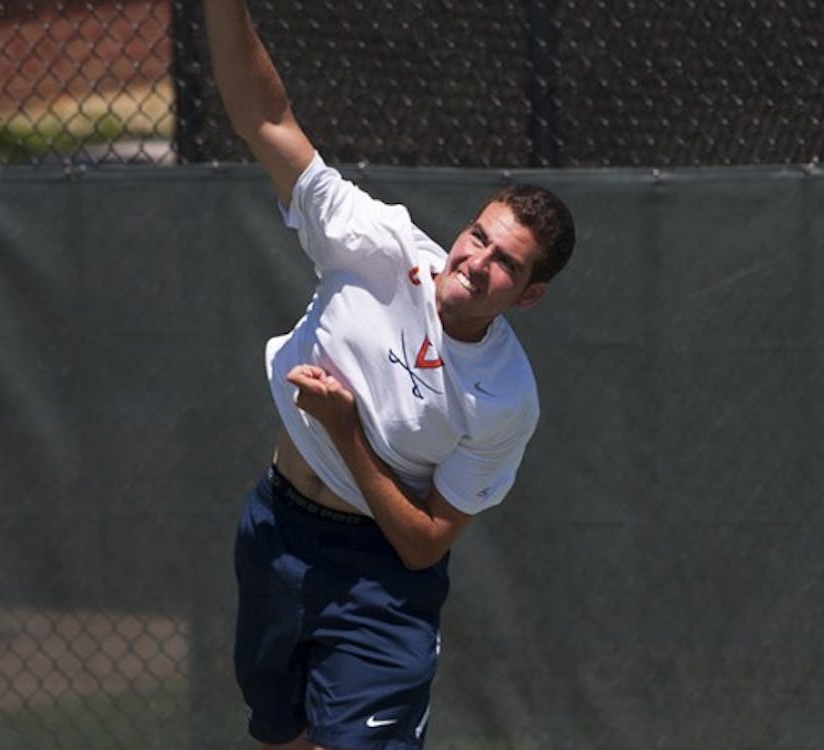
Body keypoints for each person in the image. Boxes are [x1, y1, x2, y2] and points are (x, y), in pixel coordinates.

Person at [202, 1, 576, 748]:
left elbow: (425, 543)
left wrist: (346, 434)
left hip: (377, 577)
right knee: (283, 738)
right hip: (273, 530)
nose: (476, 263)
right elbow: (264, 117)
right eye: (478, 237)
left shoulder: (503, 397)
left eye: (505, 264)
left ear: (529, 295)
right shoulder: (375, 242)